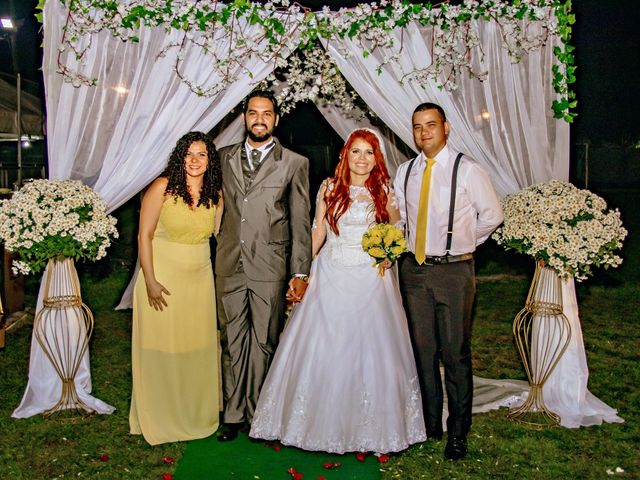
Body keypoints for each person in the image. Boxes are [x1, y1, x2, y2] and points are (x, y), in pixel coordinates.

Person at [249, 128, 426, 454]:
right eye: (356, 151)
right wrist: (301, 272)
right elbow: (317, 231)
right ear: (346, 155)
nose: (362, 159)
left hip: (370, 279)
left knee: (371, 350)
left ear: (377, 158)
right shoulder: (330, 188)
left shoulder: (384, 190)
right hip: (330, 273)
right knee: (324, 345)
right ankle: (310, 422)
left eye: (368, 153)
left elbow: (398, 229)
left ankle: (370, 427)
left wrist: (387, 254)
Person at [393, 103, 504, 460]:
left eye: (431, 125)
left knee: (455, 353)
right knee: (423, 352)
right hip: (413, 270)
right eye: (417, 127)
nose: (424, 132)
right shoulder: (406, 171)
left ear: (446, 127)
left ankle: (458, 431)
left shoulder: (468, 170)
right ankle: (430, 425)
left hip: (454, 271)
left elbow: (492, 215)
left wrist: (464, 243)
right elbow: (401, 218)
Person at [215, 90, 312, 441]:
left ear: (276, 118)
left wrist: (300, 272)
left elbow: (301, 222)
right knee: (231, 339)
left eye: (266, 113)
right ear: (244, 118)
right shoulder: (222, 158)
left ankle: (260, 413)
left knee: (264, 340)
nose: (259, 119)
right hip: (229, 263)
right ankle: (232, 413)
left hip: (271, 266)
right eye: (253, 113)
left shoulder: (294, 163)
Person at [129, 131, 223, 445]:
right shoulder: (162, 187)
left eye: (202, 155)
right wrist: (151, 280)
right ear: (180, 157)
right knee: (162, 346)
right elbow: (144, 236)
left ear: (210, 161)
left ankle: (194, 413)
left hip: (199, 278)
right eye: (189, 154)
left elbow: (219, 236)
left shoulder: (216, 194)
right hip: (163, 278)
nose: (195, 161)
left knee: (196, 346)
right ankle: (163, 415)